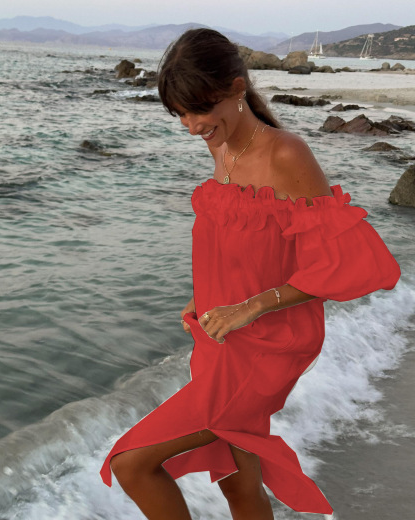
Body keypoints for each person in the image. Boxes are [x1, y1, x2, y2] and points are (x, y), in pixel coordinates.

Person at [100, 28, 401, 519]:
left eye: (198, 110)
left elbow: (340, 262)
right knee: (239, 488)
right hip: (221, 342)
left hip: (265, 349)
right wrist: (205, 295)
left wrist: (252, 306)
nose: (191, 127)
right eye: (180, 115)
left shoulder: (286, 154)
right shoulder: (221, 147)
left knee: (131, 463)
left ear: (237, 89)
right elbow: (244, 239)